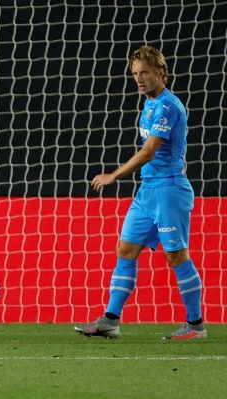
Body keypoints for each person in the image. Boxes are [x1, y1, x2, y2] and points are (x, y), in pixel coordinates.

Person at [74, 46, 205, 340]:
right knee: (126, 249)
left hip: (170, 190)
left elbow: (148, 152)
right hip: (148, 192)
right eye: (135, 74)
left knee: (176, 256)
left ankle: (196, 325)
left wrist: (114, 176)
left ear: (161, 73)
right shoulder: (149, 105)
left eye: (144, 72)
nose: (139, 79)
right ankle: (110, 320)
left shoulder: (168, 106)